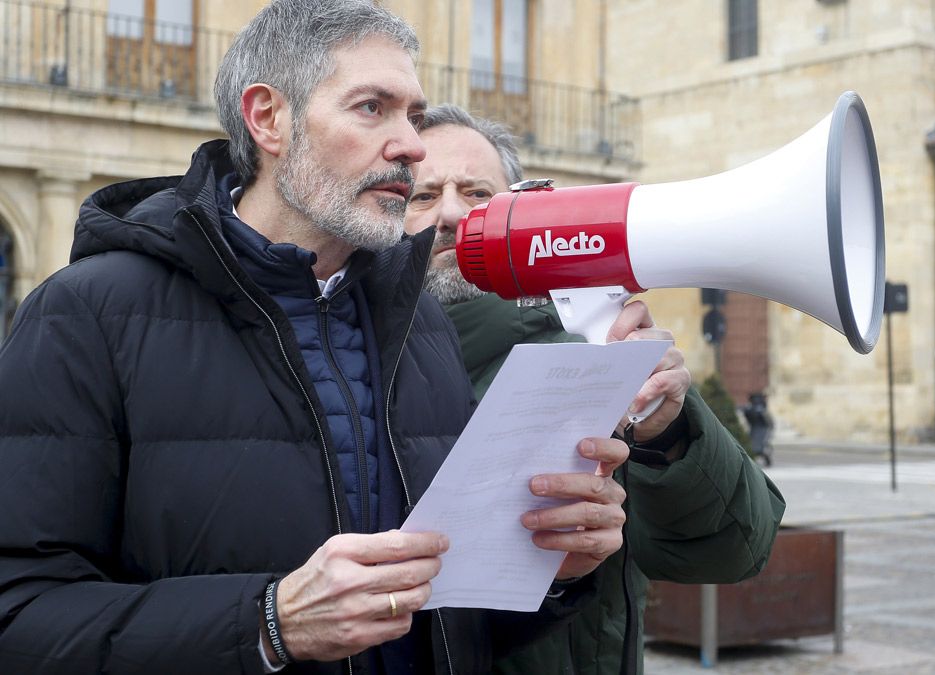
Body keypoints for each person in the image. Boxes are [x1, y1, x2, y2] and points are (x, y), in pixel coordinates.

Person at [0, 2, 633, 673]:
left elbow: (450, 625)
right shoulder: (86, 316)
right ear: (268, 118)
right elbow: (18, 615)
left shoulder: (420, 324)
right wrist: (269, 623)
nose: (412, 145)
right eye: (371, 108)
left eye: (414, 116)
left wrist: (554, 570)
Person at [405, 103, 786, 675]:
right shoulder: (352, 362)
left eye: (479, 193)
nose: (454, 212)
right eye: (423, 195)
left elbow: (735, 547)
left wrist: (669, 433)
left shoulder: (596, 368)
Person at [741, 392, 776, 466]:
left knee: (762, 446)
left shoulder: (762, 409)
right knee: (754, 445)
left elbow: (769, 422)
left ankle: (764, 456)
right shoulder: (751, 409)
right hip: (755, 428)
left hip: (763, 429)